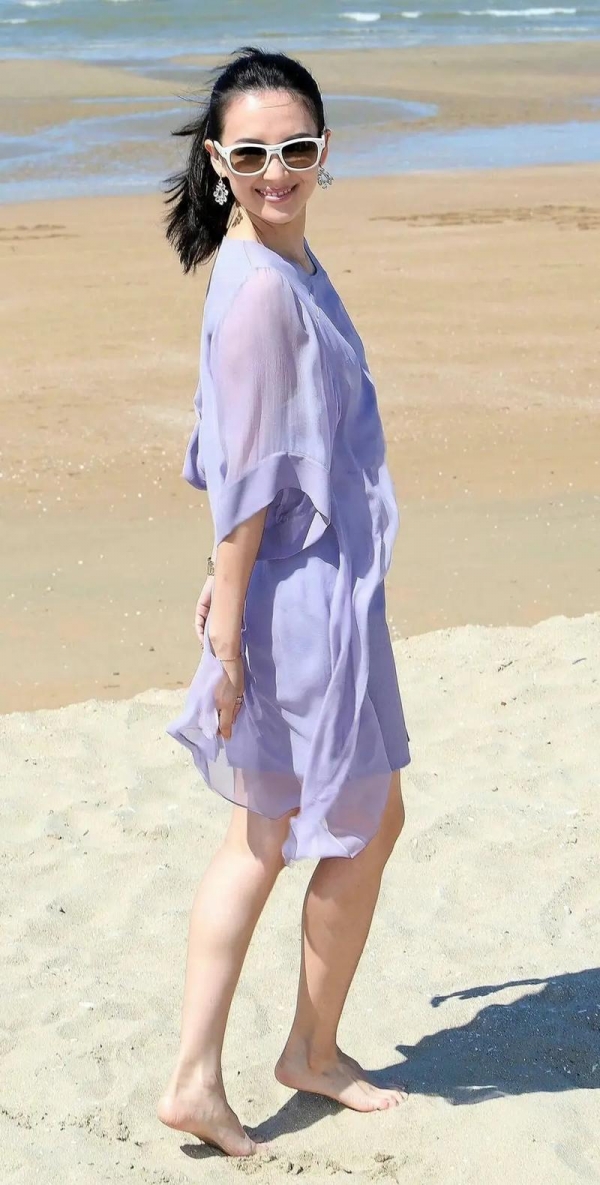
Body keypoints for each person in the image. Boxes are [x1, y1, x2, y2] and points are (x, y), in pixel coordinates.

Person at [157, 44, 411, 1158]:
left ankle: (278, 1054)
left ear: (322, 152)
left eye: (295, 150)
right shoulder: (263, 286)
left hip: (306, 580)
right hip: (298, 594)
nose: (275, 171)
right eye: (252, 153)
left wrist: (230, 591)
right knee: (291, 834)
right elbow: (248, 476)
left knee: (283, 831)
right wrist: (228, 628)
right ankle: (262, 1060)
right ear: (219, 160)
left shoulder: (277, 261)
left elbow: (244, 451)